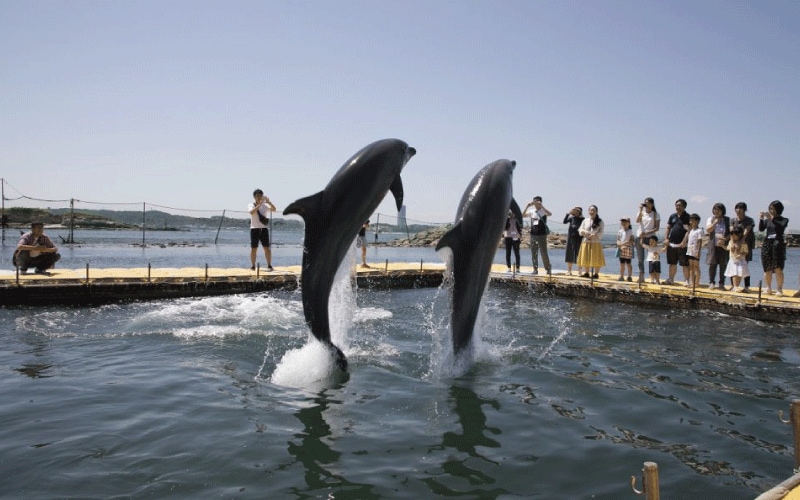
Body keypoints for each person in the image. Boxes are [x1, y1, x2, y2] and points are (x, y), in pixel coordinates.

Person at [759, 200, 789, 296]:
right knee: (767, 267)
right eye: (770, 208)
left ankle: (779, 289)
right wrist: (761, 218)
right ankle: (768, 288)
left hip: (778, 244)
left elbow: (779, 228)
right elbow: (761, 229)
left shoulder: (783, 220)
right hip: (767, 243)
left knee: (778, 267)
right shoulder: (768, 220)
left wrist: (772, 219)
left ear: (778, 209)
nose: (771, 211)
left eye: (773, 209)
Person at [248, 188, 277, 271]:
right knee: (254, 248)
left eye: (260, 196)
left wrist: (269, 202)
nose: (259, 198)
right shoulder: (251, 205)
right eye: (257, 196)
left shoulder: (265, 205)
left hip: (264, 229)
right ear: (254, 197)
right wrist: (259, 205)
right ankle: (253, 266)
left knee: (266, 248)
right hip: (254, 229)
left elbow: (274, 209)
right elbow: (251, 212)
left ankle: (269, 265)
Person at [522, 196, 552, 275]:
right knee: (534, 252)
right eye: (534, 201)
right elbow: (523, 215)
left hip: (542, 234)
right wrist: (527, 206)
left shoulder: (543, 211)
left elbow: (550, 214)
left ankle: (548, 269)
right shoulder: (532, 211)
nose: (535, 203)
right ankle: (535, 269)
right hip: (533, 234)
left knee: (543, 252)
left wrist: (541, 206)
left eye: (536, 201)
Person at [730, 202, 756, 292]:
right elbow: (731, 231)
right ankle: (734, 285)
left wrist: (740, 242)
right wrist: (733, 242)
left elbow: (746, 231)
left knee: (745, 265)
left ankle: (746, 286)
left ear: (745, 210)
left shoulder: (749, 220)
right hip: (734, 243)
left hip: (745, 243)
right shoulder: (732, 220)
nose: (738, 210)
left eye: (741, 208)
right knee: (733, 265)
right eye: (737, 208)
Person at [664, 199, 690, 285]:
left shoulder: (687, 217)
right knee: (672, 263)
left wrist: (684, 242)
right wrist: (666, 238)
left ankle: (686, 280)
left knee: (685, 263)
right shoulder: (672, 216)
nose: (678, 207)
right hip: (672, 243)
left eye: (680, 205)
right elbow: (668, 228)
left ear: (684, 206)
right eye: (677, 205)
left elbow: (688, 230)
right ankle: (671, 279)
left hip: (682, 245)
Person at [635, 198, 660, 284]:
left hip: (651, 238)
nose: (646, 205)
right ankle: (641, 276)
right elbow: (637, 221)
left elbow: (657, 228)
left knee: (653, 258)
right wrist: (640, 209)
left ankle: (655, 278)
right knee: (640, 258)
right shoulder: (641, 212)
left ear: (652, 204)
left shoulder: (655, 214)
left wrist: (646, 233)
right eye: (645, 203)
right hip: (639, 237)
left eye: (648, 203)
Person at [705, 203, 730, 290]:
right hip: (713, 244)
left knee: (723, 265)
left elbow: (731, 233)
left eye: (719, 209)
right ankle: (711, 282)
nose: (717, 211)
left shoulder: (727, 220)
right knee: (712, 264)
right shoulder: (710, 219)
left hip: (723, 245)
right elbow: (708, 229)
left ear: (723, 211)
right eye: (715, 209)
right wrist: (715, 222)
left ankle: (721, 283)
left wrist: (725, 239)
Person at [576, 205, 605, 279]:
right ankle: (586, 272)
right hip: (586, 241)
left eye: (593, 210)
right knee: (586, 257)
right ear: (588, 211)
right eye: (590, 210)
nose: (592, 212)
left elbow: (601, 232)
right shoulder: (585, 220)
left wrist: (594, 235)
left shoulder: (600, 221)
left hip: (595, 242)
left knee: (596, 258)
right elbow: (580, 229)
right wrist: (585, 233)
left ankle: (596, 274)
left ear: (596, 212)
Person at [725, 227, 749, 293]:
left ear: (739, 235)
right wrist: (721, 245)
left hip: (740, 260)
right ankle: (735, 286)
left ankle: (736, 286)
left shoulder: (743, 242)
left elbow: (746, 251)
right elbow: (727, 248)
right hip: (733, 260)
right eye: (732, 235)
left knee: (739, 273)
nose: (733, 236)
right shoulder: (731, 242)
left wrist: (741, 254)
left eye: (735, 235)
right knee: (734, 273)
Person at [563, 207, 584, 276]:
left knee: (579, 254)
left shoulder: (582, 219)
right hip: (571, 238)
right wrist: (568, 214)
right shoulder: (571, 218)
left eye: (577, 211)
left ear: (579, 212)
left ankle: (580, 271)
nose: (575, 212)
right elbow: (564, 221)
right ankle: (569, 270)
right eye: (574, 210)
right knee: (570, 254)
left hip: (579, 238)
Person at [685, 213, 704, 289]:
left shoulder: (699, 231)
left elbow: (700, 241)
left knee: (696, 266)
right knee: (691, 267)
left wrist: (698, 252)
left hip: (695, 251)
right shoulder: (691, 230)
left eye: (692, 220)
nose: (691, 221)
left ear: (697, 221)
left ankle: (697, 283)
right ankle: (691, 282)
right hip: (690, 250)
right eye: (690, 220)